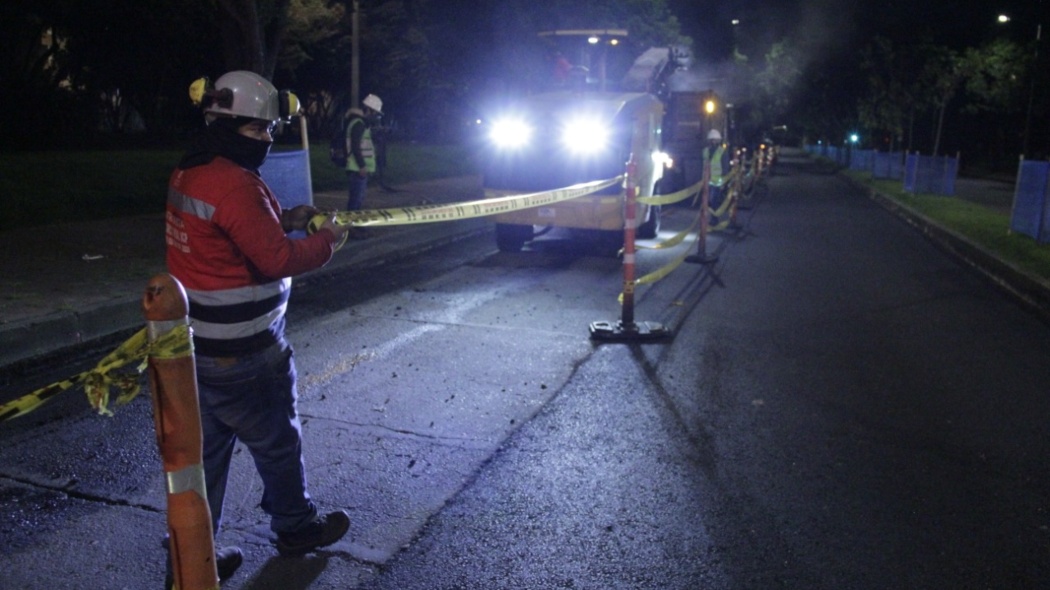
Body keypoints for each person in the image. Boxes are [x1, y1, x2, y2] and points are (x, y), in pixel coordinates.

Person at [164, 70, 352, 584]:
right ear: (231, 125)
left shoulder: (194, 169)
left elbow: (231, 230)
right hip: (247, 353)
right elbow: (274, 258)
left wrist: (287, 215)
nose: (268, 139)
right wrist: (327, 240)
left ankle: (191, 558)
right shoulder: (235, 183)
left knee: (206, 460)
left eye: (272, 130)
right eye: (260, 130)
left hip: (198, 348)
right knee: (277, 443)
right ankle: (296, 528)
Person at [344, 94, 383, 213]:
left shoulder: (360, 124)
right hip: (357, 169)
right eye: (375, 113)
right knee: (355, 201)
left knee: (357, 200)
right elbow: (356, 147)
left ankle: (354, 226)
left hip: (358, 169)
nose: (376, 116)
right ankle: (351, 228)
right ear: (368, 110)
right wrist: (362, 166)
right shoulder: (358, 124)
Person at [703, 128, 731, 214]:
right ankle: (709, 220)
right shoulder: (706, 151)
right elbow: (704, 165)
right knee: (708, 201)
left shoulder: (722, 152)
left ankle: (714, 220)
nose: (713, 142)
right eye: (712, 140)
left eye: (714, 140)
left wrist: (724, 182)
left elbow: (725, 167)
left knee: (714, 201)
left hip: (717, 182)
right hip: (708, 181)